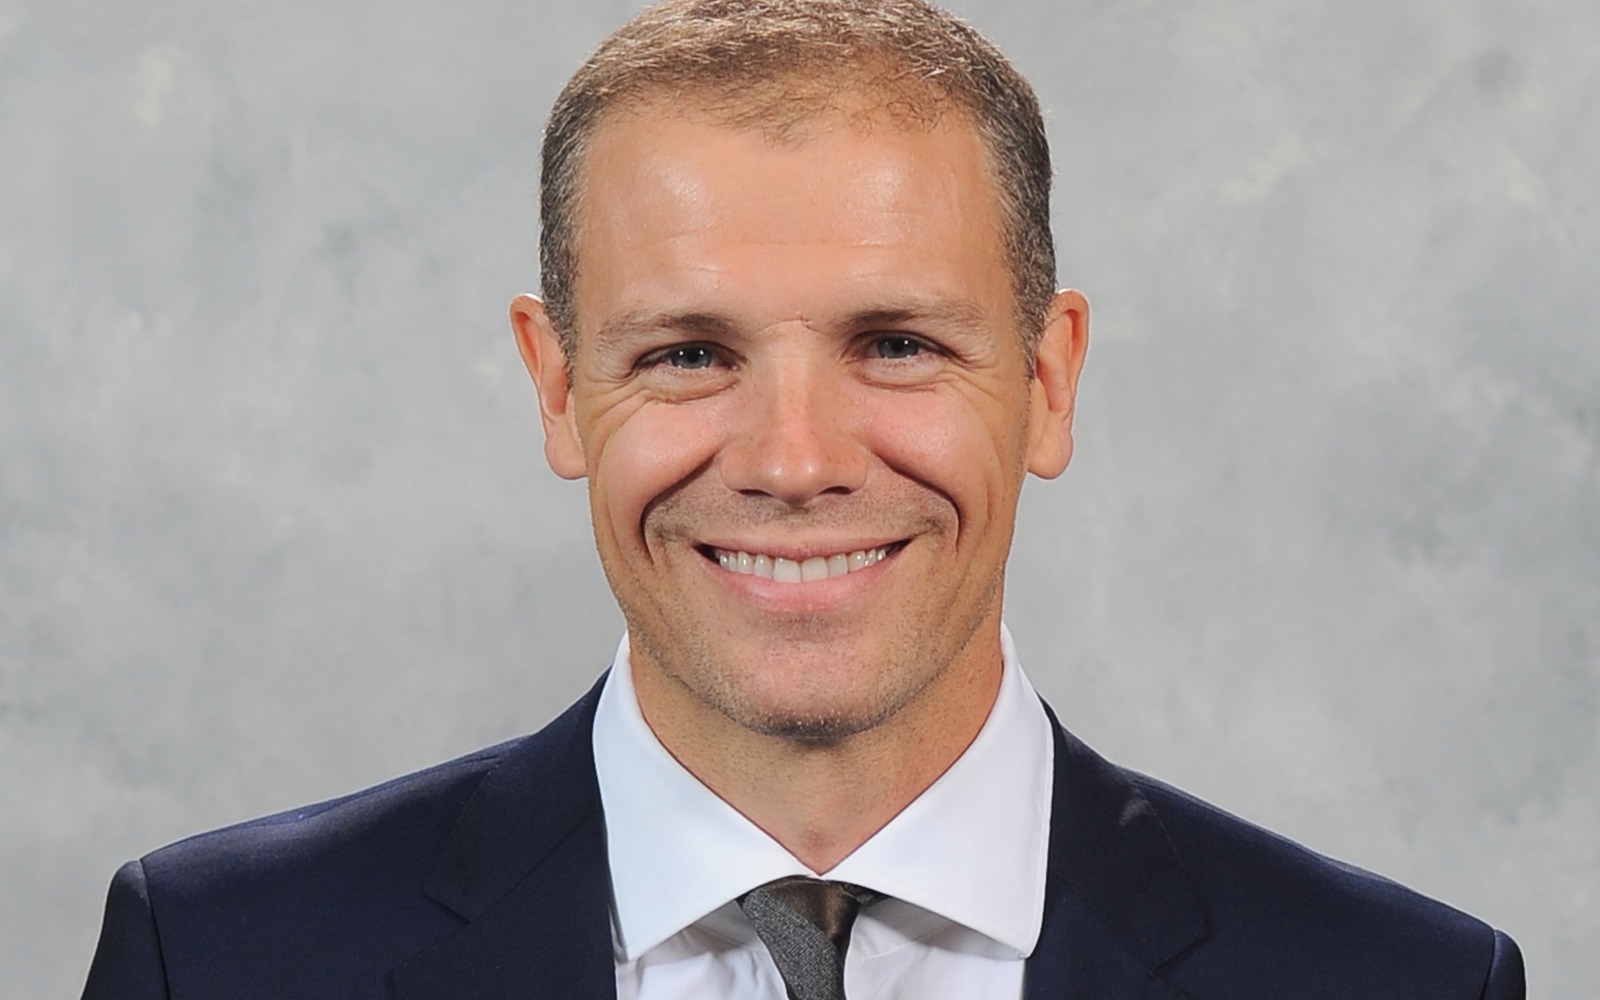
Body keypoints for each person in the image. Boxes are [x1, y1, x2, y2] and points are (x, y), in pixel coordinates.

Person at [81, 1, 1525, 998]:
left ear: (1049, 379)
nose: (793, 460)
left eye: (897, 344)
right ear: (555, 386)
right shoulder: (217, 960)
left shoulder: (1398, 983)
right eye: (689, 354)